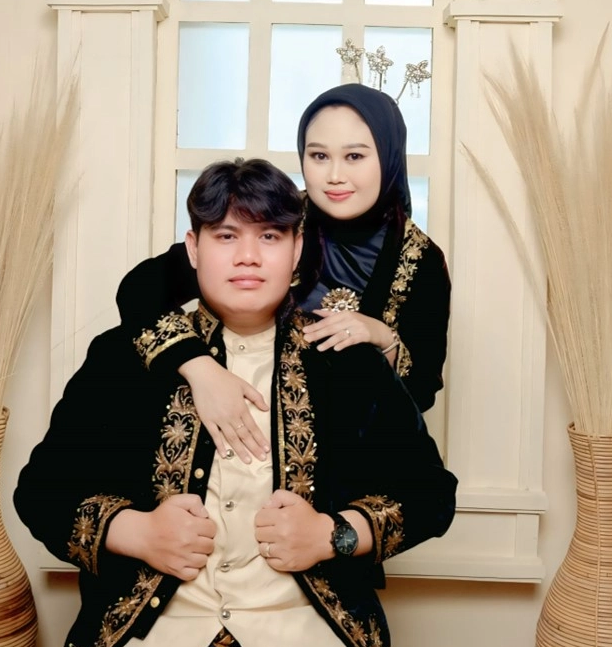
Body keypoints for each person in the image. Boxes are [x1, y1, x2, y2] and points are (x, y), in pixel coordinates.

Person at [15, 157, 457, 647]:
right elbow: (40, 492)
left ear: (297, 250)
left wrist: (332, 535)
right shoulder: (124, 356)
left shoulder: (348, 363)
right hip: (144, 645)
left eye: (269, 237)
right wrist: (138, 532)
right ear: (193, 249)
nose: (248, 256)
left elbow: (430, 495)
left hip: (312, 642)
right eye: (226, 236)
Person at [117, 83, 452, 464]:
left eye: (355, 156)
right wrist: (201, 369)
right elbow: (139, 290)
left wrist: (383, 337)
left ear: (389, 156)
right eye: (319, 155)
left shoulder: (420, 260)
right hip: (222, 433)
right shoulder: (274, 222)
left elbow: (421, 395)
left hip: (344, 463)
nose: (335, 175)